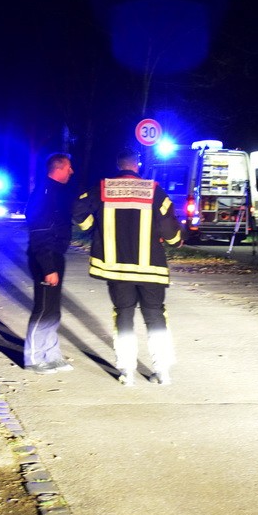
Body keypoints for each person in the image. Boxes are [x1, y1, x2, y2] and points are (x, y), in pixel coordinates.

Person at [72, 147, 183, 385]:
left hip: (117, 268)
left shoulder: (104, 188)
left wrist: (93, 226)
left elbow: (79, 212)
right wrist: (175, 240)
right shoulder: (153, 190)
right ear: (137, 165)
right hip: (150, 268)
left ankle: (127, 371)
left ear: (118, 164)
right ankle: (162, 371)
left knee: (123, 315)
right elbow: (168, 225)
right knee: (155, 316)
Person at [23, 152, 75, 375]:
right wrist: (48, 267)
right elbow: (40, 233)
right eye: (68, 168)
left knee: (53, 309)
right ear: (59, 168)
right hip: (46, 257)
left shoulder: (56, 192)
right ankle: (33, 357)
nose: (72, 171)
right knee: (44, 308)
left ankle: (51, 355)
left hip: (55, 256)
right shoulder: (44, 194)